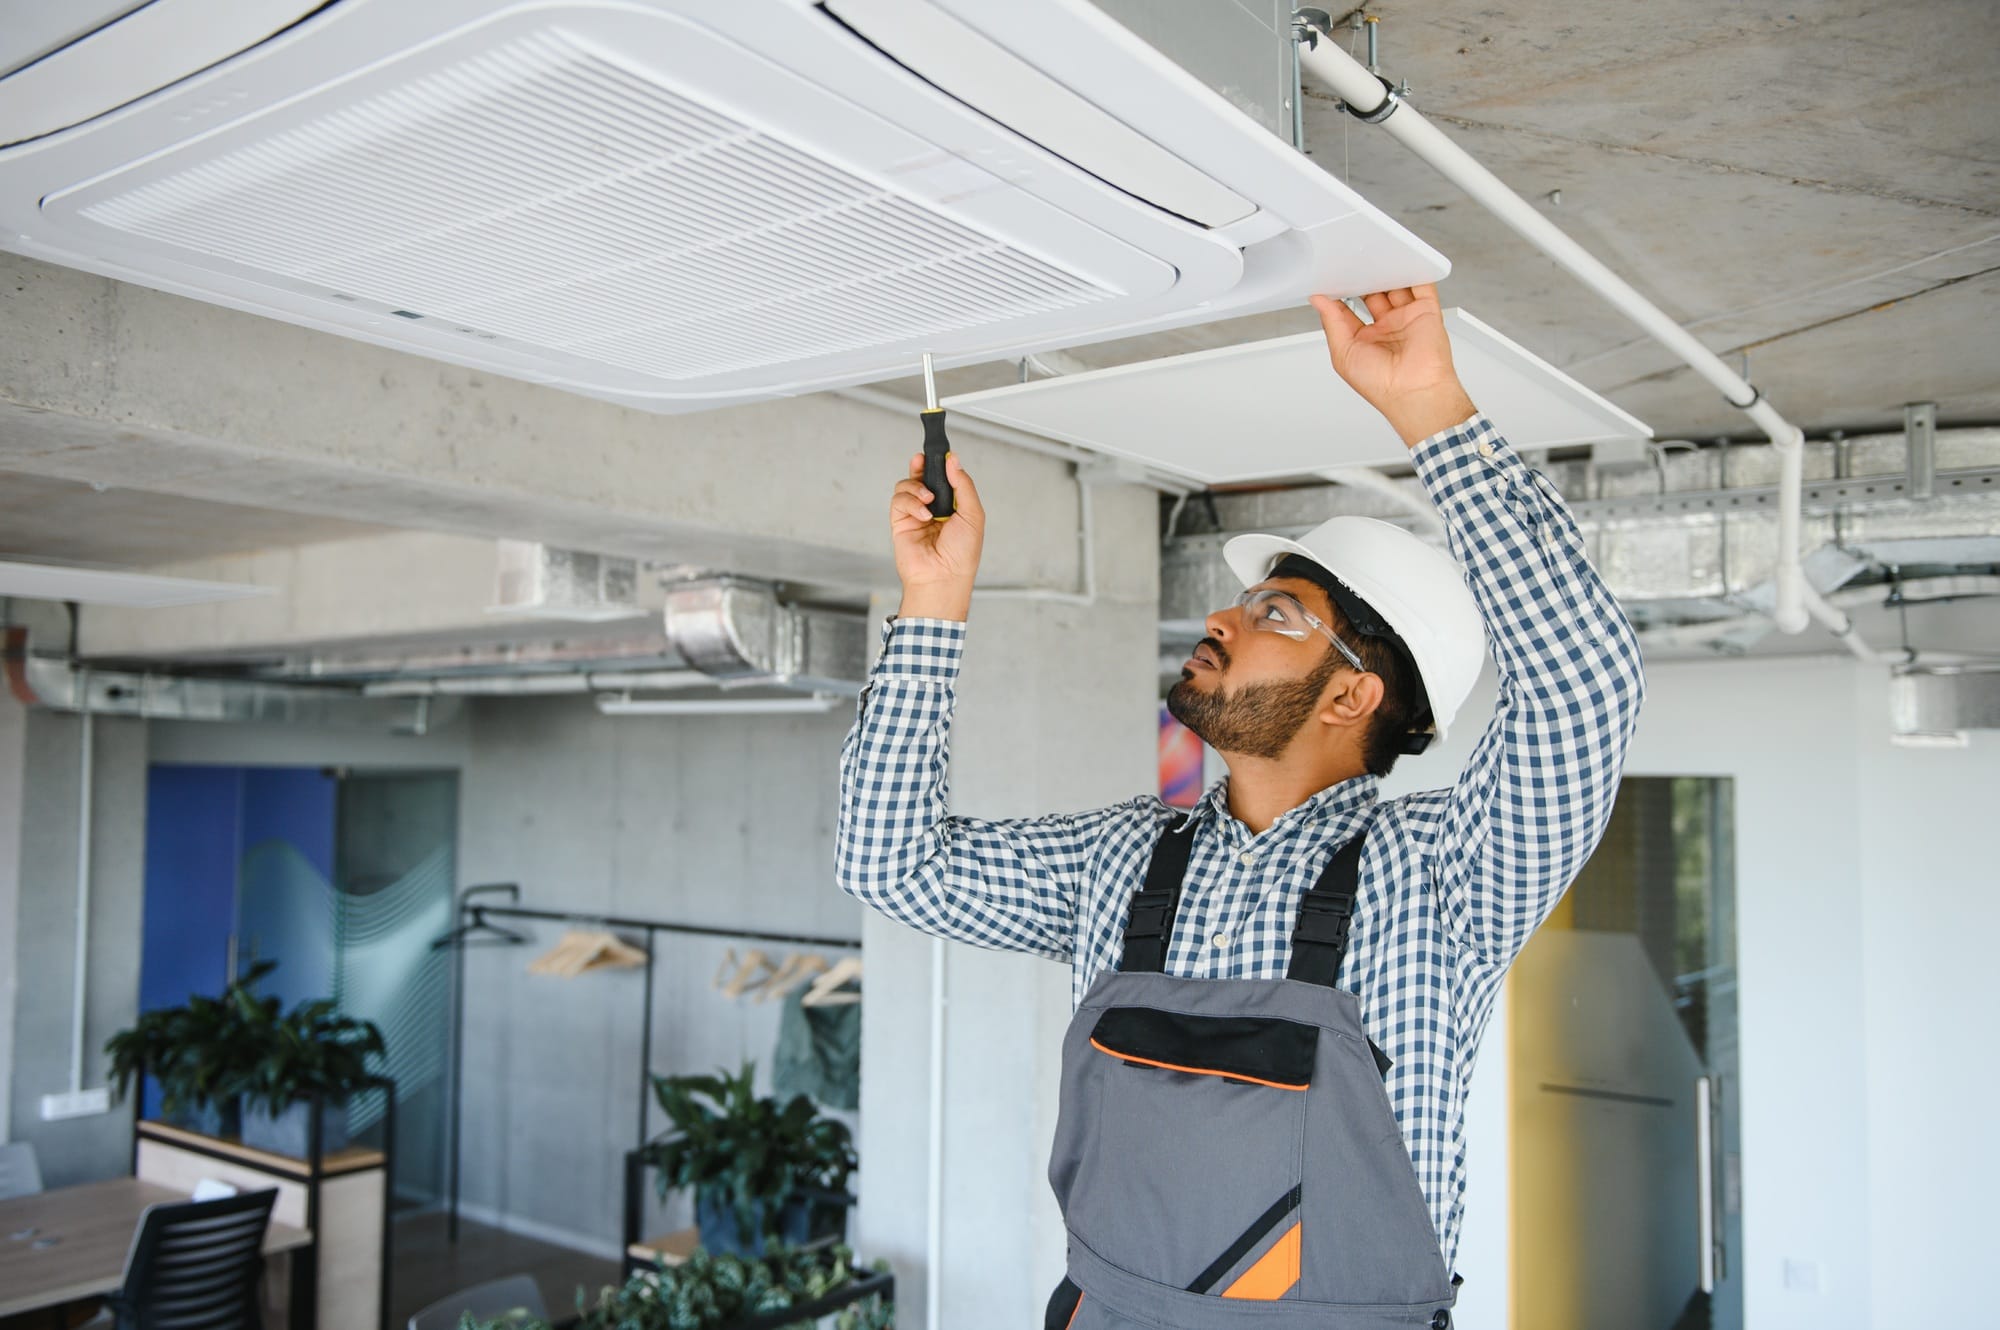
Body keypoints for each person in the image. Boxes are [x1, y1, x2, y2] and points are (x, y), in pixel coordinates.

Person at [836, 284, 1644, 1328]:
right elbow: (887, 863)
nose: (1222, 615)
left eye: (1276, 610)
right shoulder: (1122, 857)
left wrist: (1431, 409)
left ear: (1354, 694)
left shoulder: (1448, 872)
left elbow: (1583, 686)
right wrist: (934, 603)